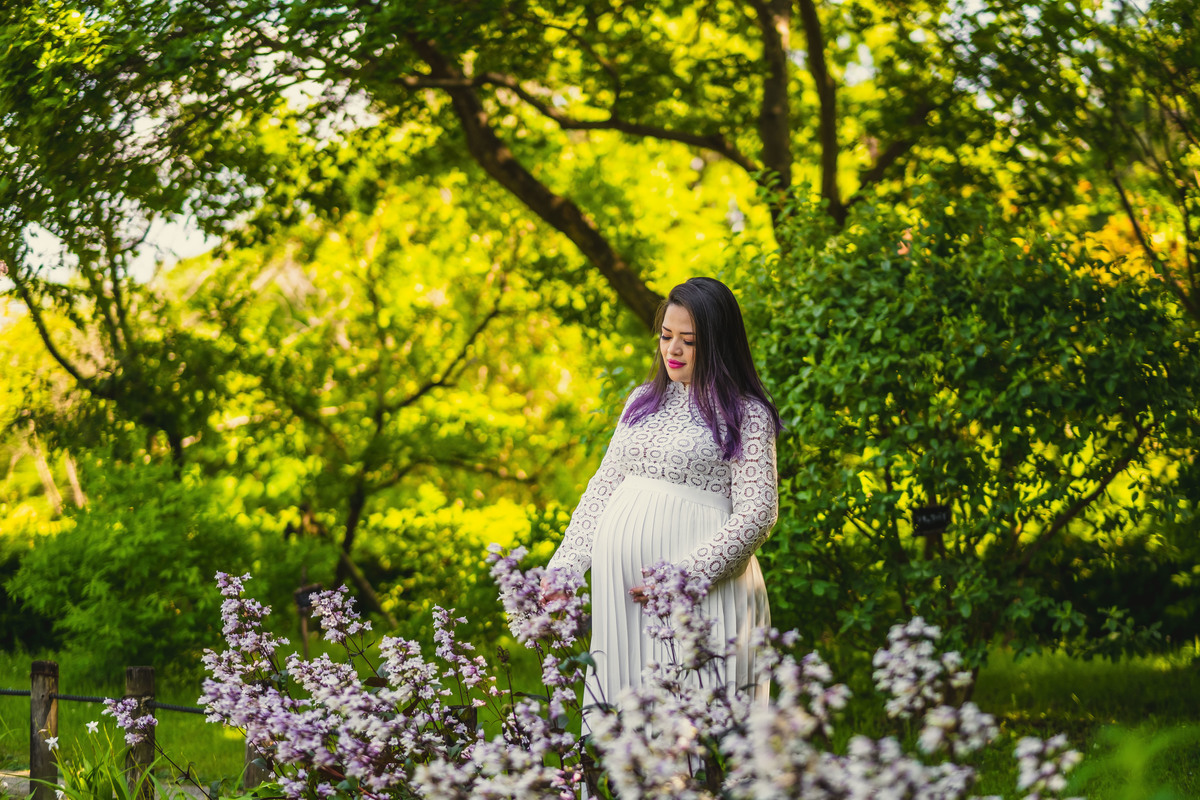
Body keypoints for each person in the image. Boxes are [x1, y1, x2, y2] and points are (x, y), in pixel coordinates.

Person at [547, 276, 782, 712]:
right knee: (623, 732)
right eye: (666, 335)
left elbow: (757, 514)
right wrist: (565, 566)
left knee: (698, 737)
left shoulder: (747, 414)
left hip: (704, 598)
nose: (672, 350)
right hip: (622, 603)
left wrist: (681, 579)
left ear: (720, 342)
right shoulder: (641, 402)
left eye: (688, 341)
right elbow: (603, 487)